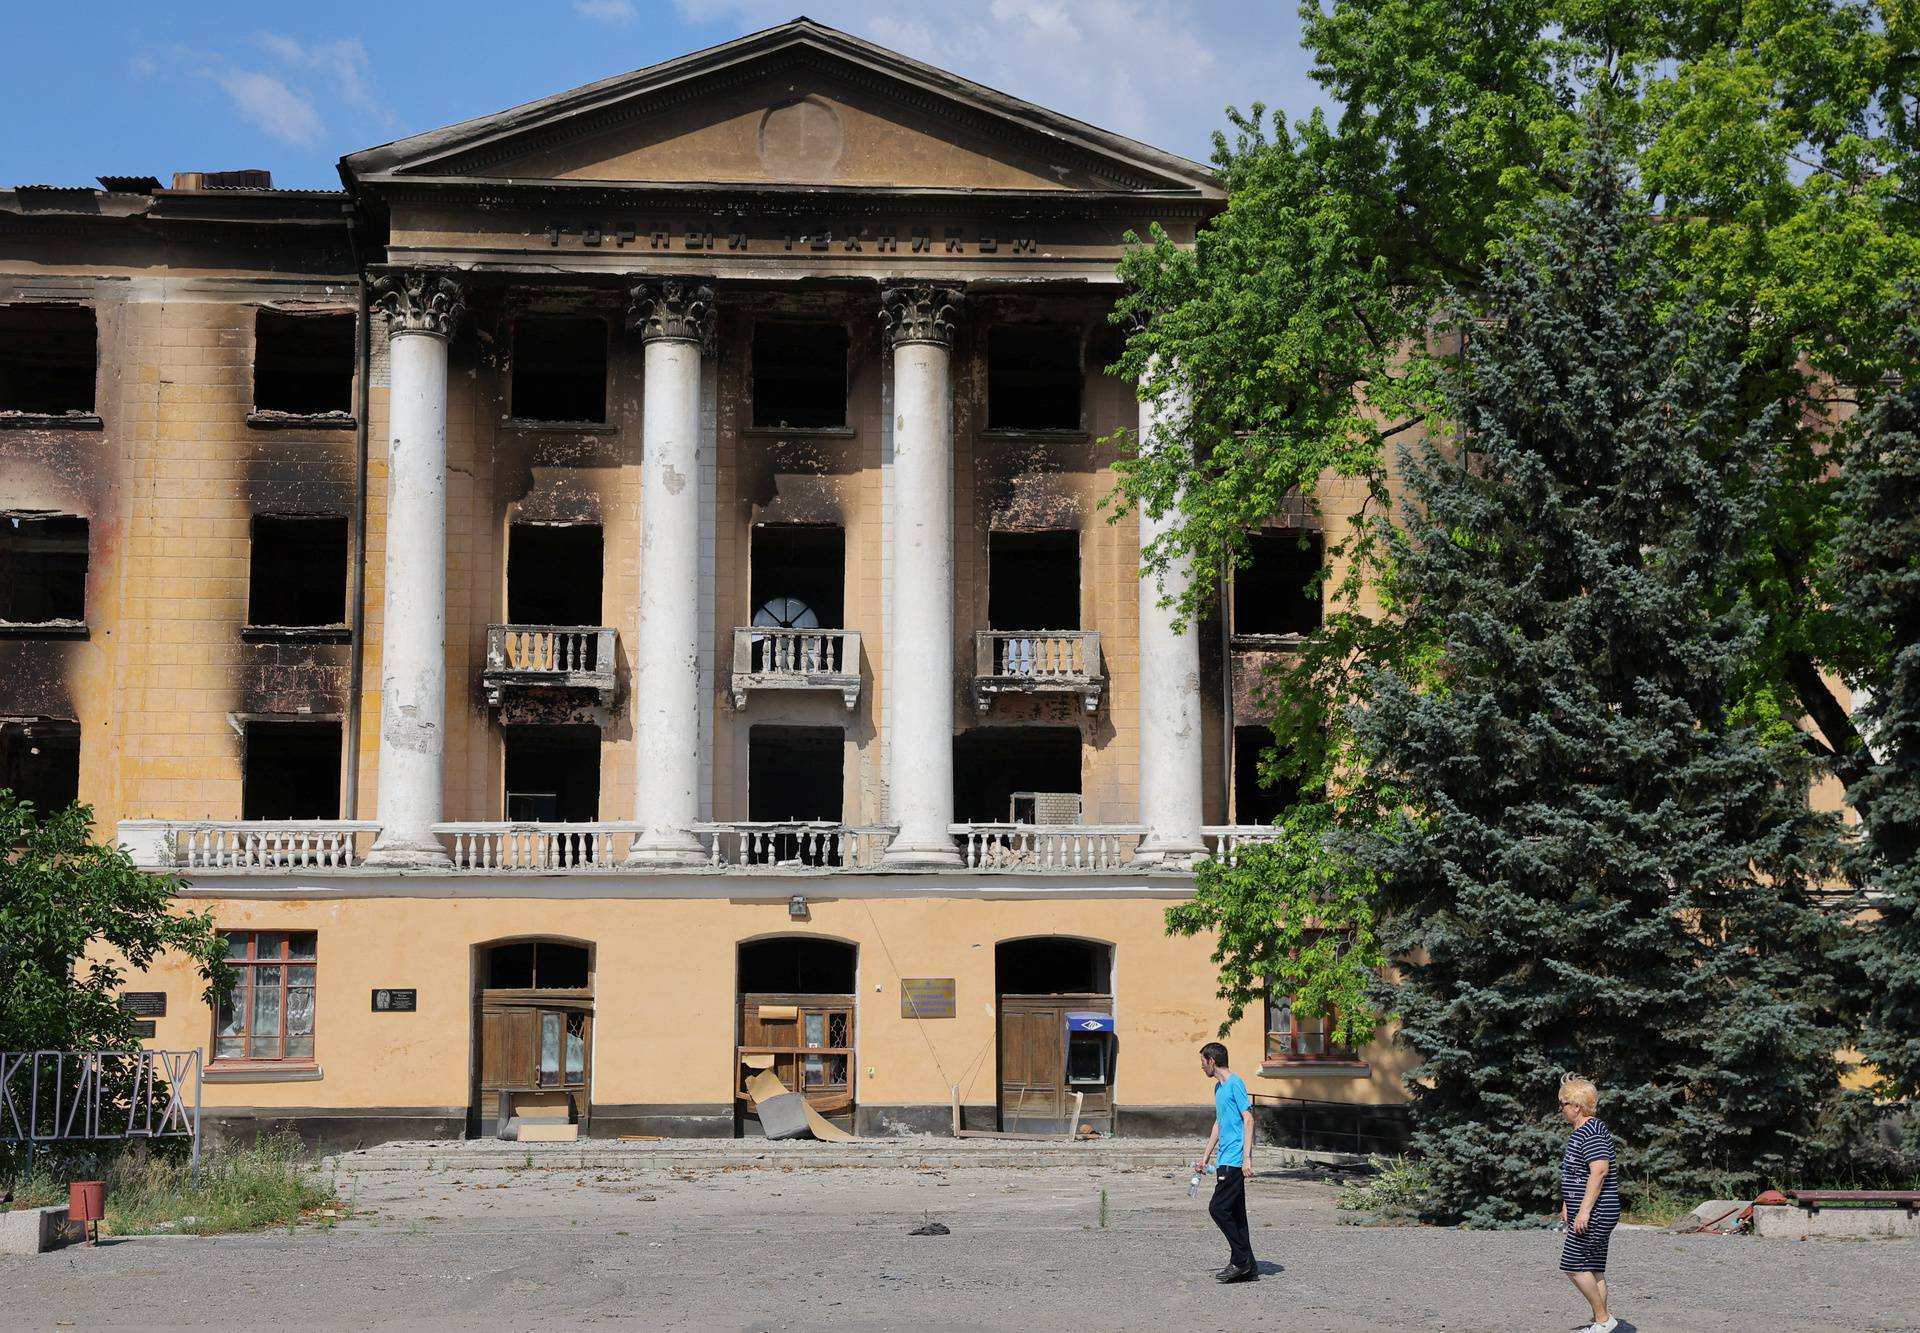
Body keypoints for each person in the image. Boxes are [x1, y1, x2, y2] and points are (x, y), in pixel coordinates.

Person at [1557, 1075, 1620, 1333]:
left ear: (1577, 1107)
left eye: (1562, 1104)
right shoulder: (1583, 1131)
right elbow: (1577, 1173)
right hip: (1591, 1210)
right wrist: (1567, 1203)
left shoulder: (1591, 1131)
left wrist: (1584, 1210)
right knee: (1593, 1268)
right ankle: (1602, 1325)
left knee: (1572, 1266)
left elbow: (1599, 1171)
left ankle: (1604, 1319)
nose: (1560, 1109)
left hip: (1596, 1212)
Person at [1195, 1041, 1256, 1283]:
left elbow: (1248, 1118)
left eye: (1202, 1062)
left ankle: (1240, 1260)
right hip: (1224, 1159)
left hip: (1234, 1160)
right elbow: (1219, 1124)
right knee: (1237, 1215)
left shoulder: (1235, 1084)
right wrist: (1205, 1157)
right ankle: (1249, 1267)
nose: (1201, 1068)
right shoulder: (1219, 1089)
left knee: (1217, 1209)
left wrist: (1246, 1158)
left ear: (1212, 1060)